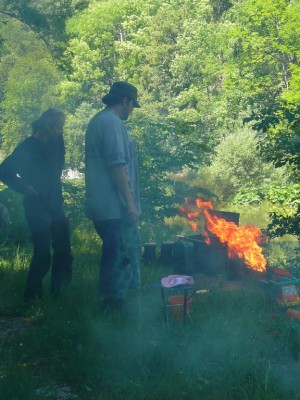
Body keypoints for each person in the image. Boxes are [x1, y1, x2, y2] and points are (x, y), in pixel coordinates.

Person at [0, 108, 73, 301]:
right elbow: (5, 171)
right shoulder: (27, 147)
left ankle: (61, 293)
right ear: (47, 125)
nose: (61, 131)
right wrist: (26, 187)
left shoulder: (58, 143)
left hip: (55, 203)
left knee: (63, 249)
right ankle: (32, 296)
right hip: (35, 206)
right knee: (42, 250)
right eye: (58, 126)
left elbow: (58, 167)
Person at [85, 81, 141, 313]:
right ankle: (113, 309)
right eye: (131, 105)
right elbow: (117, 166)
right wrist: (130, 204)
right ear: (125, 101)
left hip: (102, 204)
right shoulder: (112, 123)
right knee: (121, 257)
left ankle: (114, 305)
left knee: (115, 254)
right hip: (113, 207)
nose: (132, 110)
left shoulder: (98, 121)